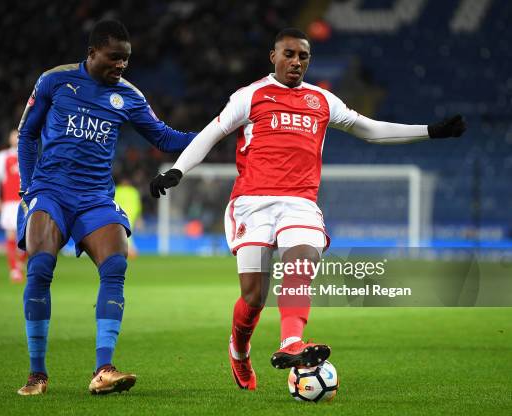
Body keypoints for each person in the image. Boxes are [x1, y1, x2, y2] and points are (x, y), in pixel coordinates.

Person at [150, 28, 465, 390]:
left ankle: (292, 342)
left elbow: (371, 130)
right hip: (252, 204)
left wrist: (432, 131)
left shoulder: (322, 100)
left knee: (301, 259)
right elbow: (209, 134)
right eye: (289, 54)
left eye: (303, 56)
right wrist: (177, 170)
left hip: (300, 202)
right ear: (273, 56)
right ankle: (238, 350)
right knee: (253, 297)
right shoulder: (250, 96)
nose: (296, 62)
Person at [16, 20, 195, 396]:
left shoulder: (128, 95)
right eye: (114, 58)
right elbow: (28, 133)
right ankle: (37, 374)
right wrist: (29, 189)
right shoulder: (55, 81)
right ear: (92, 52)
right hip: (50, 190)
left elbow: (163, 137)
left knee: (115, 267)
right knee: (41, 268)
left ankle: (103, 369)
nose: (121, 65)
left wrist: (215, 131)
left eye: (126, 60)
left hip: (95, 197)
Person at [0, 129, 26, 283]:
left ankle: (20, 264)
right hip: (10, 203)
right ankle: (14, 270)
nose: (16, 139)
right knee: (11, 235)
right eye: (13, 136)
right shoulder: (2, 156)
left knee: (27, 237)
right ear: (9, 139)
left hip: (25, 202)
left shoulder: (28, 155)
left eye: (18, 136)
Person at [114, 178, 142, 258]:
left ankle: (130, 250)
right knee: (125, 232)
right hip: (126, 215)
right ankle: (130, 250)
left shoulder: (118, 190)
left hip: (124, 215)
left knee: (124, 232)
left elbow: (138, 205)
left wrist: (139, 217)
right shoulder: (133, 191)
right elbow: (138, 205)